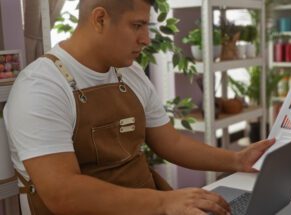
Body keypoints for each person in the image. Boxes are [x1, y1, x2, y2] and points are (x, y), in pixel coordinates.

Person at [4, 0, 275, 214]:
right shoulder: (41, 87)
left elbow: (171, 143)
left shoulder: (130, 74)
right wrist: (163, 203)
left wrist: (237, 159)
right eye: (137, 25)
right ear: (100, 19)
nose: (146, 39)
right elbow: (62, 193)